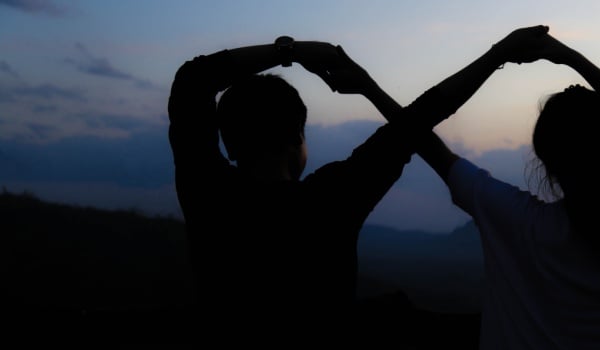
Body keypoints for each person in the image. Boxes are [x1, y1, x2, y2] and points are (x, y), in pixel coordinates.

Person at [391, 27, 600, 349]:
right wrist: (568, 57)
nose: (574, 86)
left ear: (548, 162)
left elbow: (423, 140)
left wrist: (498, 54)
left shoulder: (521, 224)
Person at [167, 37, 425, 347]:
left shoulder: (208, 193)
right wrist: (367, 87)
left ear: (231, 145)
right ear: (296, 133)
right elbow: (412, 127)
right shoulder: (332, 200)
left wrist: (292, 51)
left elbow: (192, 80)